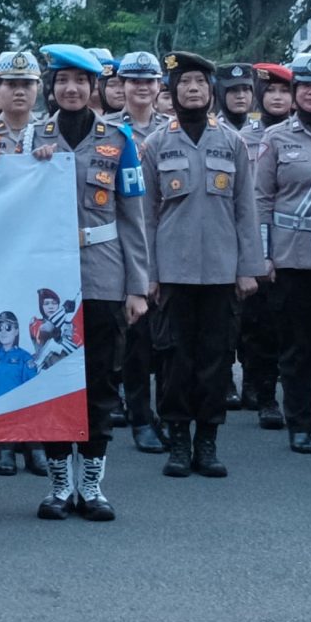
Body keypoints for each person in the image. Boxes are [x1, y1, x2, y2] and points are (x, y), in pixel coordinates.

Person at [3, 46, 148, 520]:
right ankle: (59, 485)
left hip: (102, 271)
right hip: (47, 279)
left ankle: (93, 485)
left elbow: (133, 217)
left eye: (81, 82)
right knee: (51, 377)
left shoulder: (119, 138)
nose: (71, 89)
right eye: (63, 80)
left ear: (95, 88)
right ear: (51, 87)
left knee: (100, 380)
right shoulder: (30, 139)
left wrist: (137, 286)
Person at [141, 53, 262, 480]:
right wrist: (149, 274)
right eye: (184, 83)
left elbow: (246, 210)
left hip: (220, 272)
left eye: (199, 82)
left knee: (215, 358)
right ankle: (177, 440)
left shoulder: (231, 141)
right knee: (174, 361)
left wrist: (249, 268)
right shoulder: (155, 144)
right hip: (172, 272)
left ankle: (207, 441)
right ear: (170, 93)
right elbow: (147, 216)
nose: (192, 89)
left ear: (212, 92)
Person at [254, 54, 311, 454]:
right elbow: (262, 198)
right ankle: (300, 423)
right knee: (296, 347)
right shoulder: (276, 138)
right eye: (304, 85)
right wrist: (265, 255)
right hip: (291, 258)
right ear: (294, 92)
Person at [0, 49, 51, 479]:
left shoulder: (52, 135)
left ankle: (35, 439)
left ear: (37, 90)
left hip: (40, 257)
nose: (19, 91)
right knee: (4, 350)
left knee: (35, 352)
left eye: (27, 84)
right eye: (10, 84)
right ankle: (4, 440)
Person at [112, 50, 168, 451]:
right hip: (128, 249)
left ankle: (169, 414)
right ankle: (140, 418)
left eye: (149, 80)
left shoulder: (175, 130)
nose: (142, 87)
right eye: (134, 81)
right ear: (121, 86)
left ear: (159, 86)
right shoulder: (108, 131)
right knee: (135, 344)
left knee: (171, 343)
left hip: (171, 248)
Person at [234, 61, 290, 431]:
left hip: (296, 241)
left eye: (284, 91)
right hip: (256, 239)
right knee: (259, 323)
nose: (278, 97)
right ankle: (260, 388)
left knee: (291, 324)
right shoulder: (243, 137)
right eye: (271, 91)